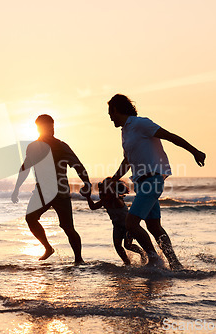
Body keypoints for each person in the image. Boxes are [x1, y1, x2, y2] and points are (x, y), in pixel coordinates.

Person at [108, 94, 206, 269]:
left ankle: (154, 260)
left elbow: (170, 136)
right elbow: (127, 160)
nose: (110, 118)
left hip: (152, 179)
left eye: (110, 113)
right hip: (141, 183)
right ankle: (175, 264)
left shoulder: (140, 123)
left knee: (131, 223)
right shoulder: (125, 132)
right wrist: (114, 178)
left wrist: (194, 151)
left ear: (115, 109)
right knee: (154, 227)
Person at [11, 114, 92, 264]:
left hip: (60, 192)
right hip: (42, 192)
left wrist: (87, 182)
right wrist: (16, 188)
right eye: (50, 126)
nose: (53, 129)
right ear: (42, 128)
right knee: (30, 218)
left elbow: (78, 165)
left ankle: (79, 259)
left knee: (68, 227)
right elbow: (25, 167)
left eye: (53, 126)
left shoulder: (62, 146)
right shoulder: (33, 147)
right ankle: (48, 248)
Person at [82, 177, 146, 265]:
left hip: (128, 225)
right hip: (117, 226)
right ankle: (127, 262)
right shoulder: (104, 201)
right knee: (117, 246)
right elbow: (93, 207)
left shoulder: (117, 200)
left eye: (106, 189)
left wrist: (109, 185)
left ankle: (143, 254)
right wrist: (88, 196)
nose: (102, 193)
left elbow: (112, 193)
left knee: (127, 245)